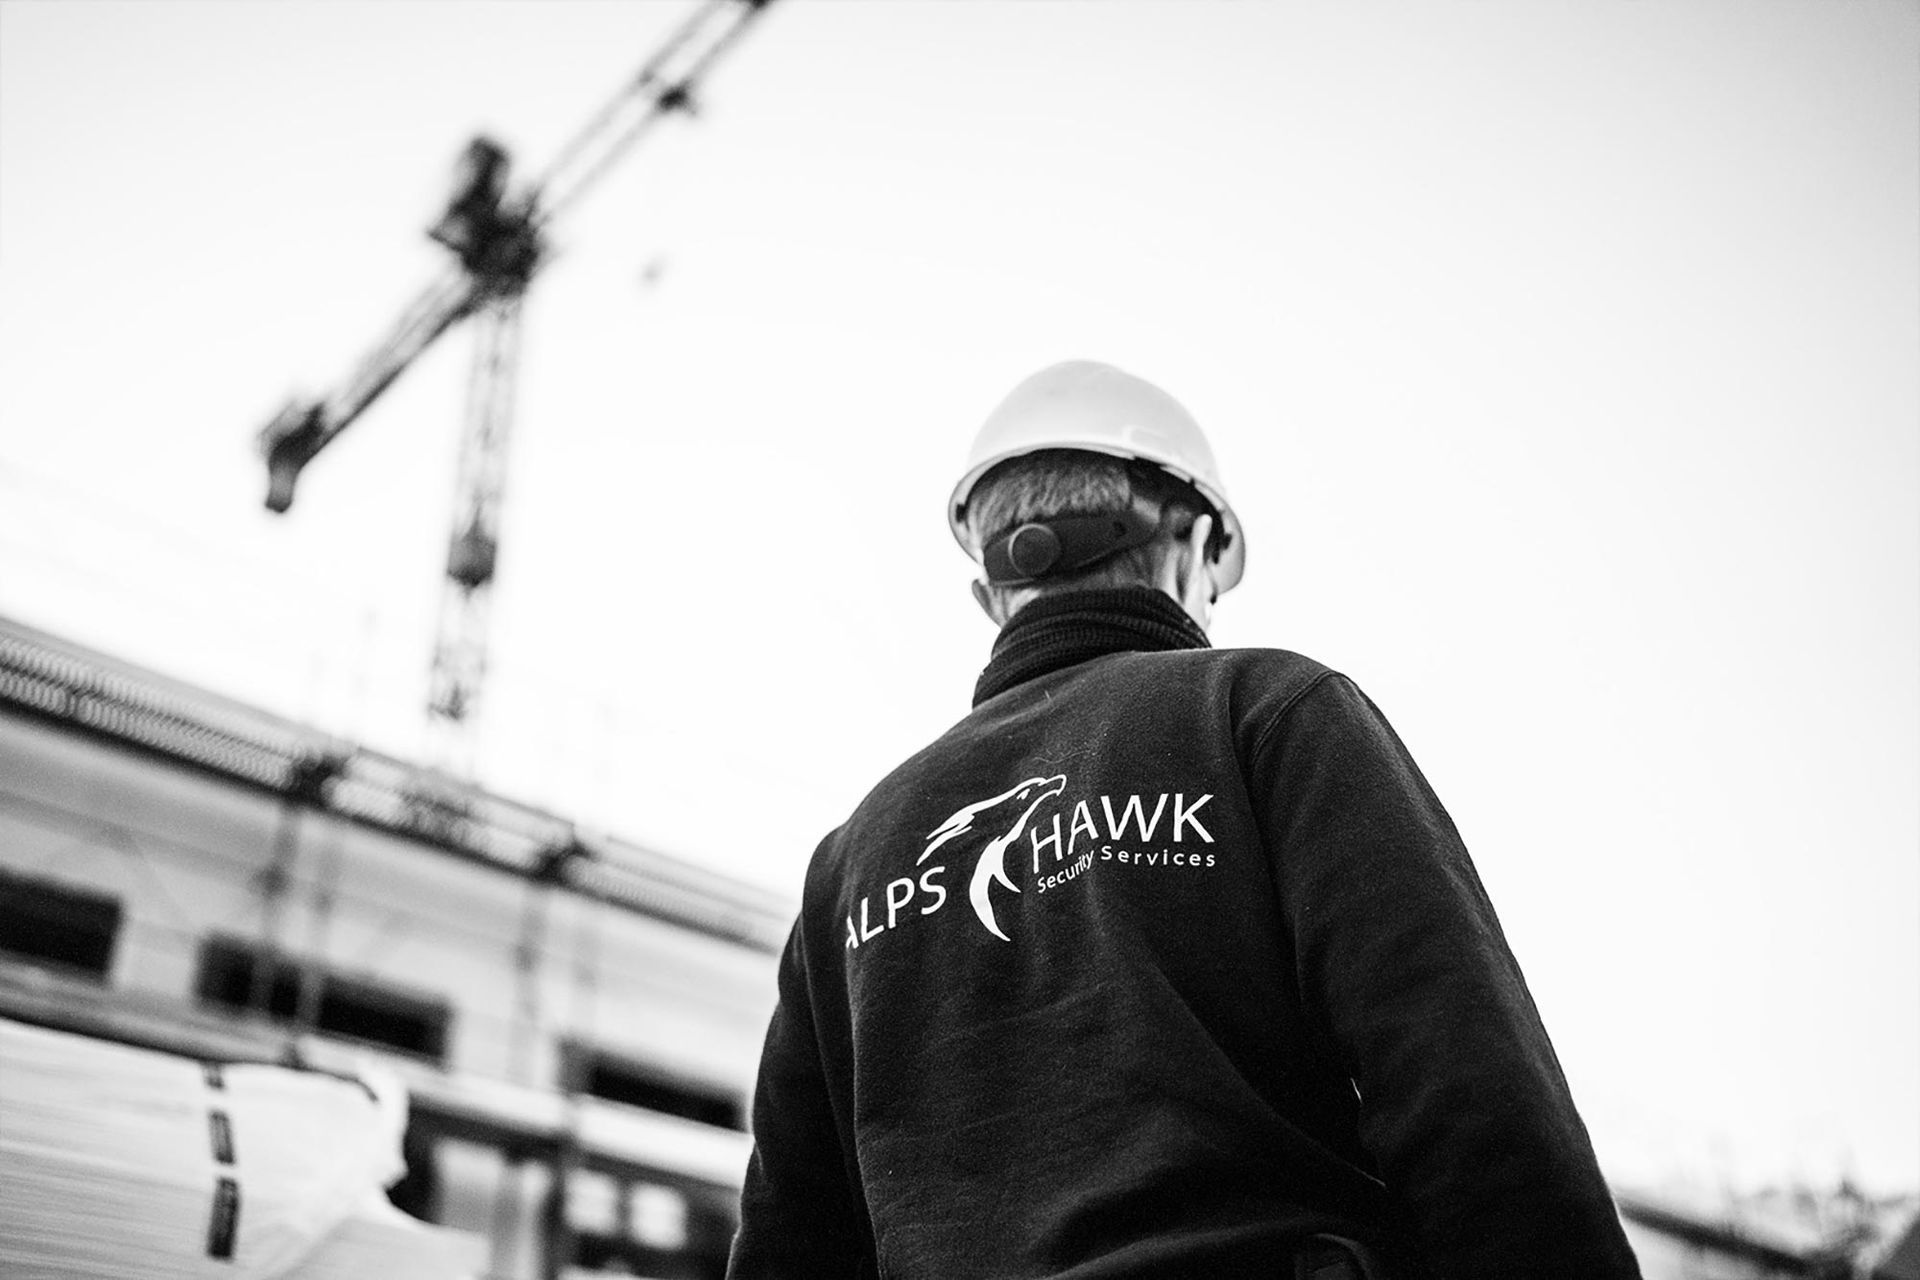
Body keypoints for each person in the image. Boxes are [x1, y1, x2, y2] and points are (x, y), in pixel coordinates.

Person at [727, 360, 1640, 1279]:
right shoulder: (1266, 714)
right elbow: (1473, 1106)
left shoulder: (849, 867)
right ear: (1199, 541)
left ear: (991, 593)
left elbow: (786, 1248)